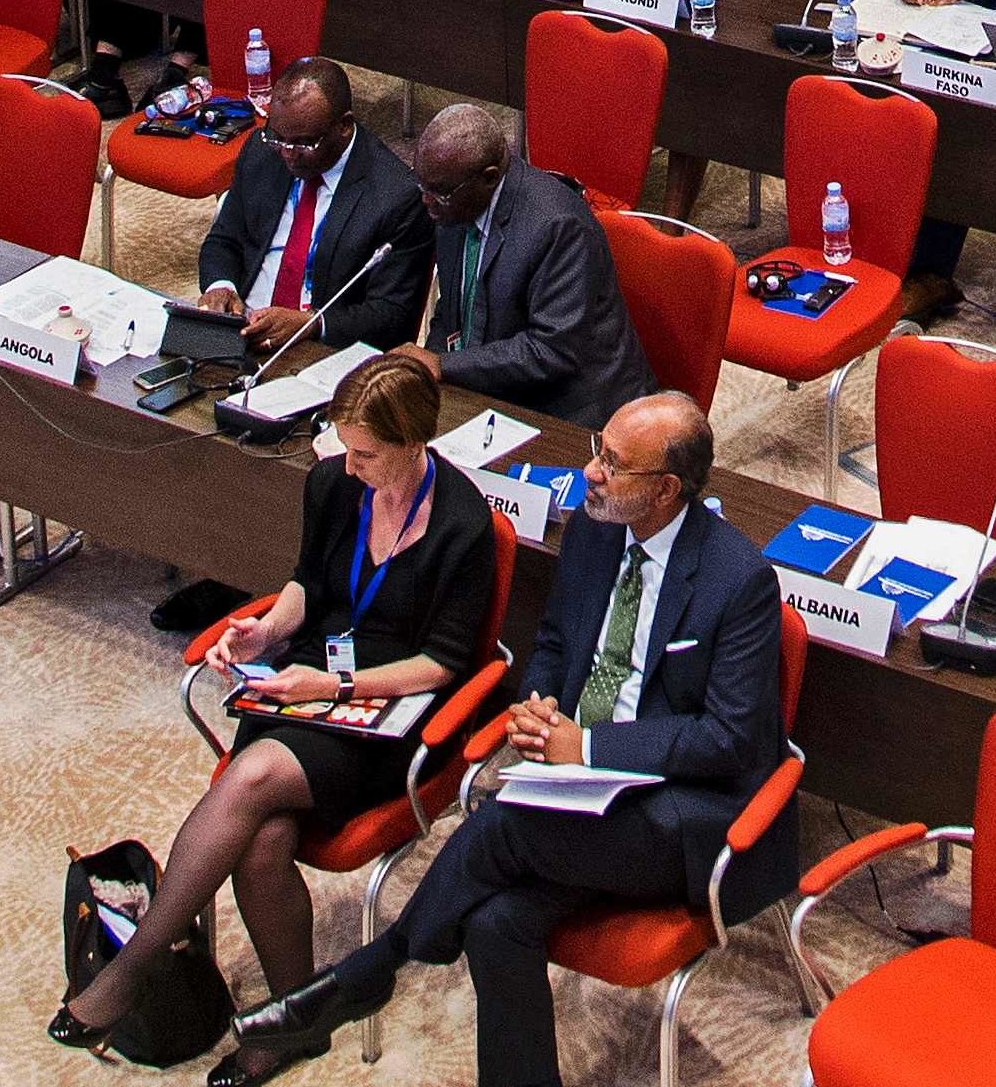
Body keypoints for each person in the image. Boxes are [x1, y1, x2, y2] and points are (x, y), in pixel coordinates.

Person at [217, 393, 782, 1087]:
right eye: (596, 448)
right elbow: (551, 643)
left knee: (499, 823)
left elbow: (729, 739)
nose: (590, 472)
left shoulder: (739, 579)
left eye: (612, 462)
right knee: (494, 922)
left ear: (666, 488)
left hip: (679, 813)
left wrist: (591, 750)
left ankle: (370, 970)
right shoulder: (595, 530)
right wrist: (539, 704)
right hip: (573, 796)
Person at [67, 346, 506, 1054]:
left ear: (412, 442)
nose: (349, 465)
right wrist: (263, 630)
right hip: (305, 683)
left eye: (365, 453)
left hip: (390, 717)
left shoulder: (462, 523)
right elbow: (306, 583)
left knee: (251, 777)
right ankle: (289, 1026)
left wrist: (330, 686)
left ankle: (131, 967)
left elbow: (441, 663)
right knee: (262, 841)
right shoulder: (333, 484)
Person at [402, 98, 650, 428]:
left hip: (571, 410)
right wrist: (430, 374)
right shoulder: (453, 204)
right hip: (495, 386)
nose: (426, 202)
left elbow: (551, 351)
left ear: (489, 178)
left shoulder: (558, 227)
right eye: (423, 187)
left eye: (439, 194)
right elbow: (452, 311)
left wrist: (445, 366)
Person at [197, 61, 434, 353]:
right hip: (242, 328)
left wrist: (313, 324)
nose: (286, 154)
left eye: (303, 144)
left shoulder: (396, 196)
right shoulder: (261, 150)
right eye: (278, 138)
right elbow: (224, 238)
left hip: (320, 347)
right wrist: (221, 287)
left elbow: (392, 314)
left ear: (344, 126)